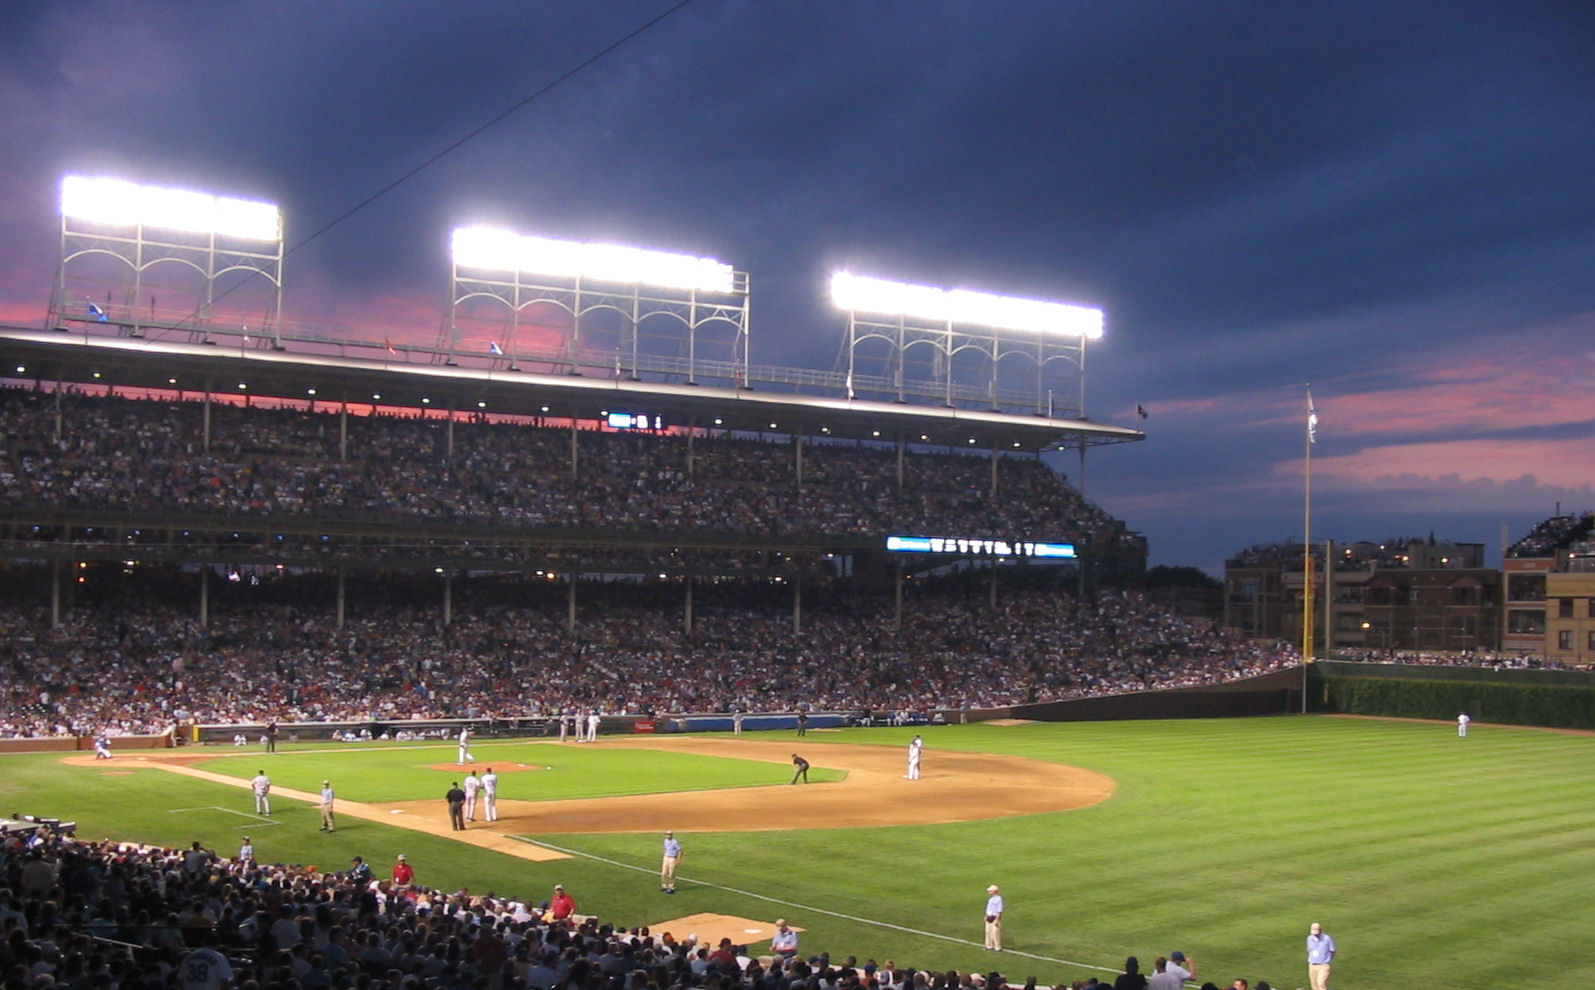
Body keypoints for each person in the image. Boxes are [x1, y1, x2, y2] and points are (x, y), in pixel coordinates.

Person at [1305, 922, 1335, 990]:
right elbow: (1310, 950)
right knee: (1315, 986)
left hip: (1323, 965)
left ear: (1320, 930)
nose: (1315, 935)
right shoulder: (1309, 938)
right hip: (1312, 965)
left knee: (1321, 983)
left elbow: (1332, 951)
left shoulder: (1327, 939)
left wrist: (1327, 961)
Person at [983, 883, 1004, 951]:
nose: (989, 892)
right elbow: (988, 909)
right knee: (988, 932)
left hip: (994, 917)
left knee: (995, 932)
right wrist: (986, 916)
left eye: (990, 890)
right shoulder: (991, 899)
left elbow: (999, 910)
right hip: (989, 917)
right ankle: (988, 945)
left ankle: (997, 947)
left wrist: (997, 919)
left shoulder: (999, 899)